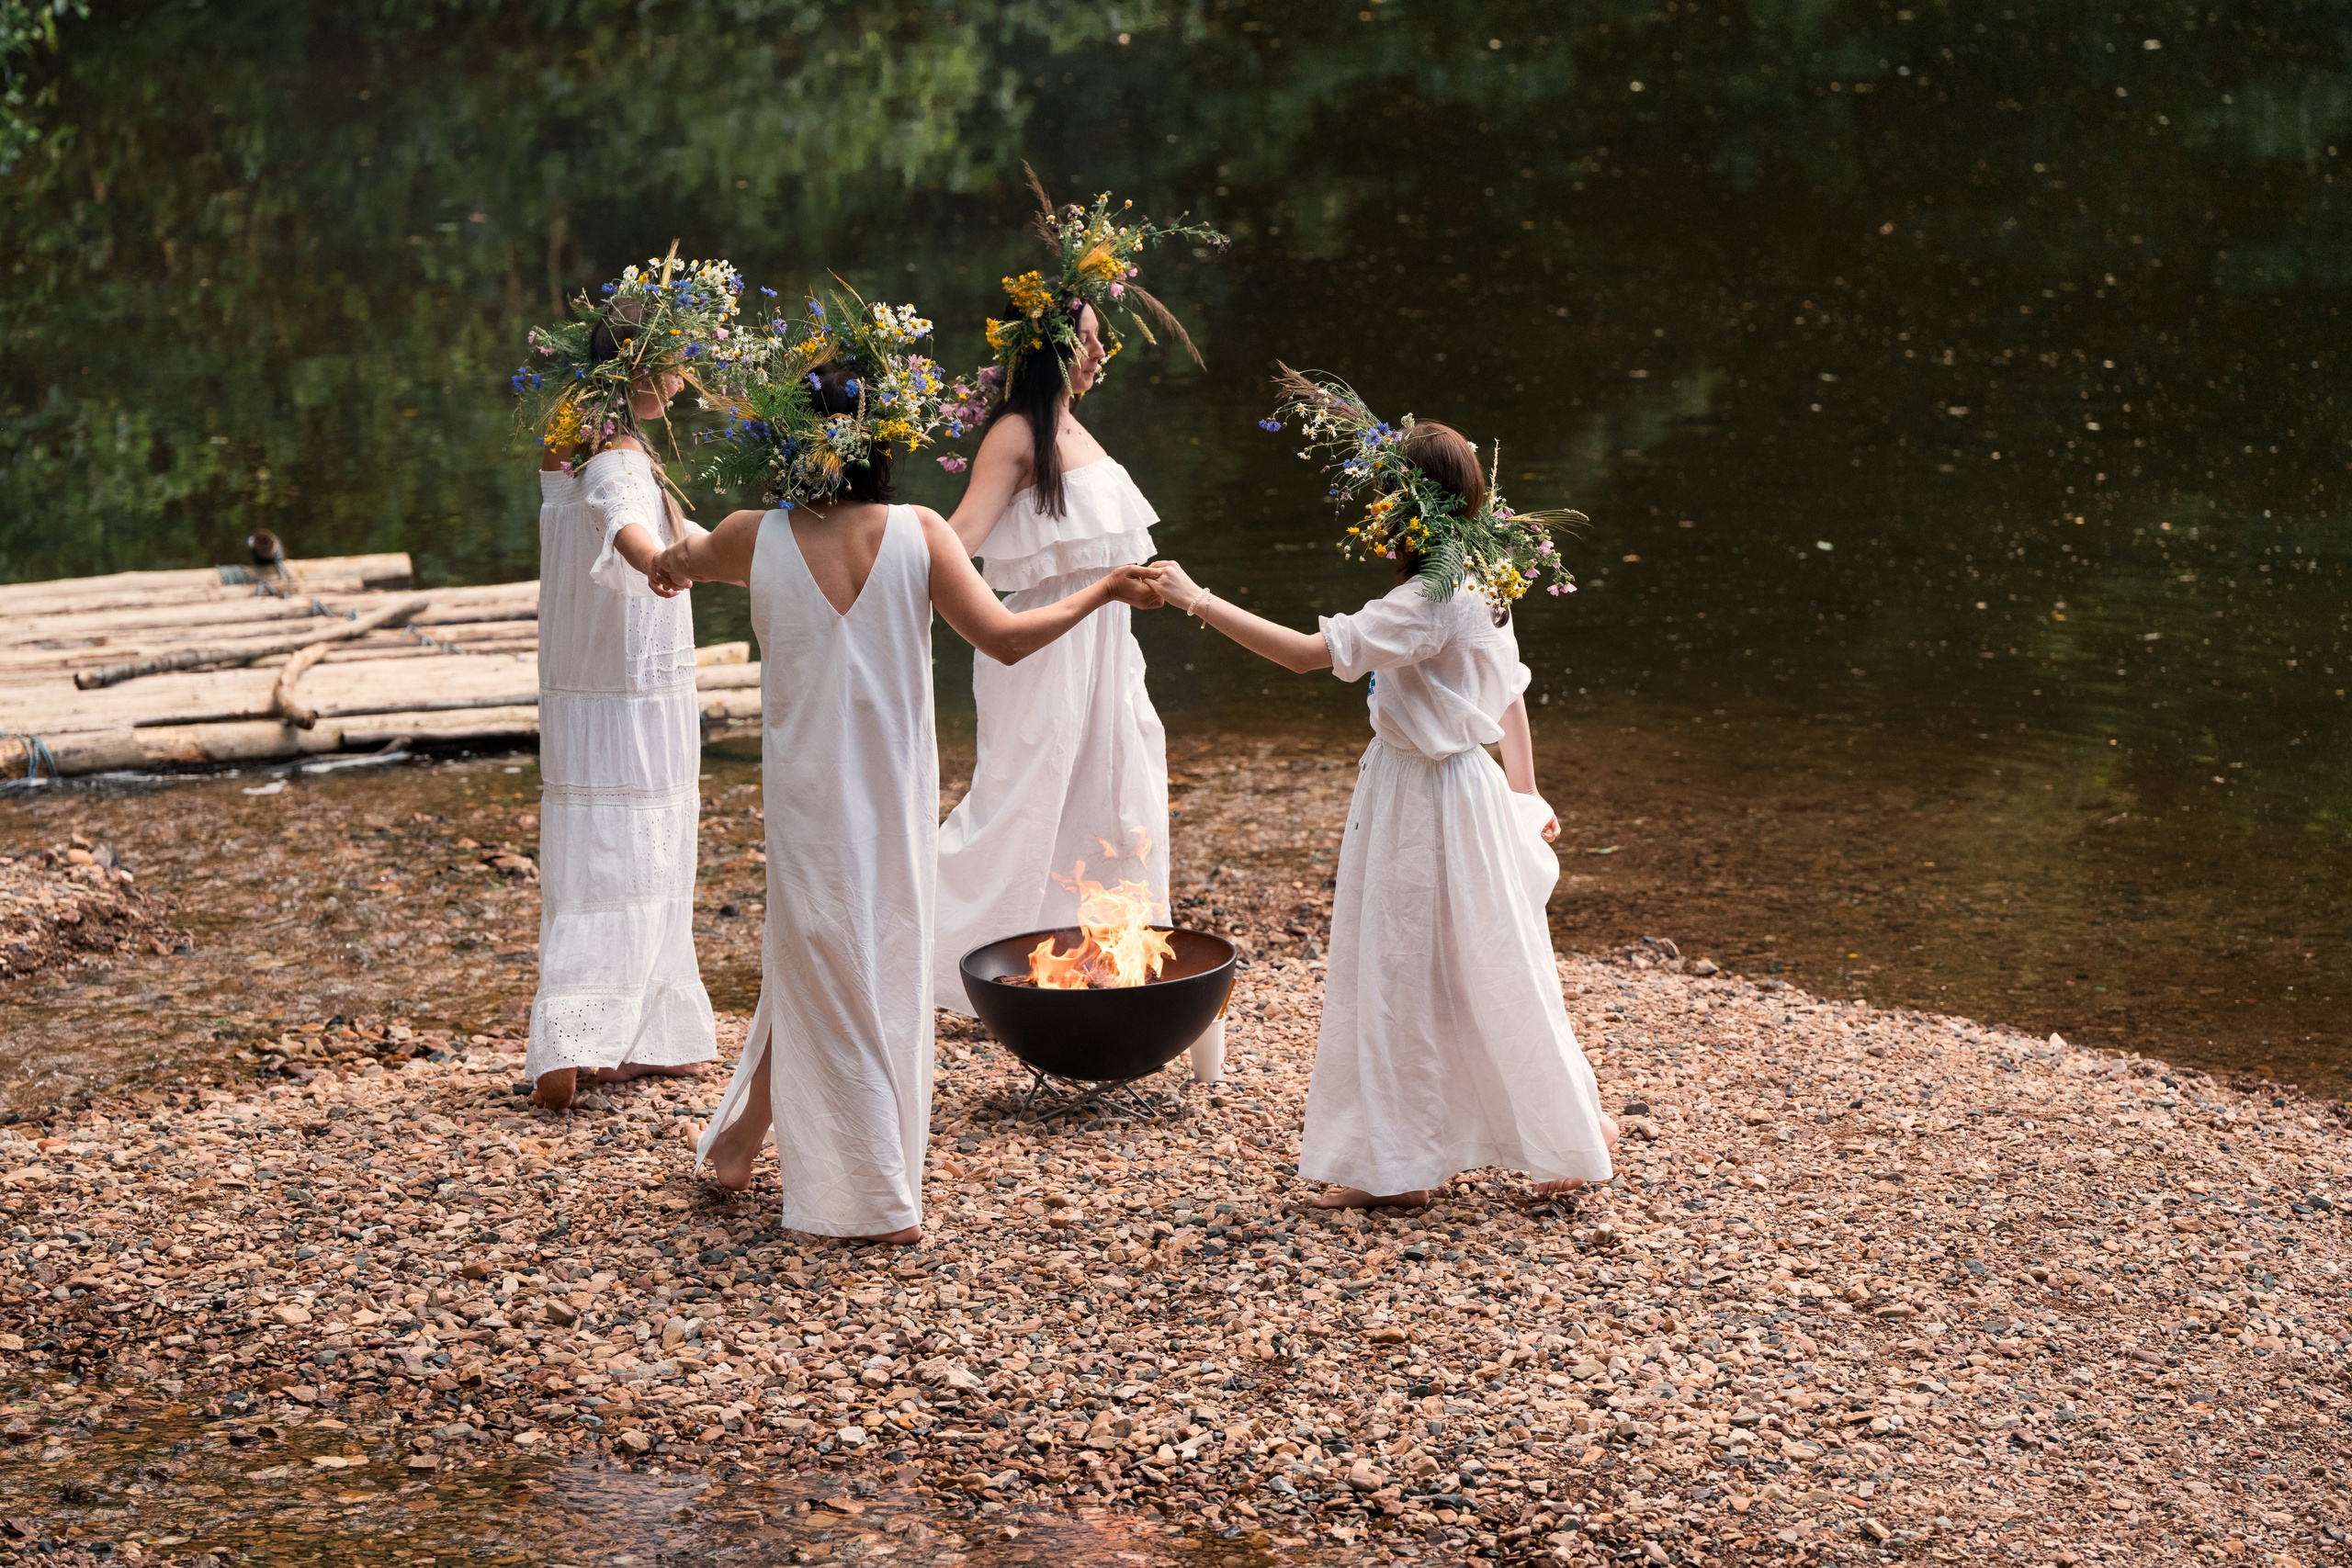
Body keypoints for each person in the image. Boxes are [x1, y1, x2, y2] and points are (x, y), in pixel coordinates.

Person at [659, 293, 1163, 1244]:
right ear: (880, 444)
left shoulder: (752, 534)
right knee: (864, 966)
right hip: (887, 799)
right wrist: (1102, 587)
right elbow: (1010, 640)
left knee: (816, 958)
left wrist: (638, 544)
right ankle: (870, 1195)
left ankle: (737, 1144)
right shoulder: (923, 533)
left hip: (808, 806)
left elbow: (677, 559)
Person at [1150, 368, 1617, 1208]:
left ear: (1409, 511)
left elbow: (1304, 654)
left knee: (1401, 970)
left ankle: (1400, 1171)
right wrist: (1526, 795)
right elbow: (1509, 694)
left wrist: (1195, 598)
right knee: (1494, 963)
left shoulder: (1427, 598)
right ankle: (1548, 1133)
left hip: (1423, 798)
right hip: (1468, 790)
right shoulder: (1484, 577)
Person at [930, 179, 1227, 1013]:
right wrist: (880, 570)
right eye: (1090, 340)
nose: (1101, 354)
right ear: (1052, 347)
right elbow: (958, 538)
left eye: (1101, 340)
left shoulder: (1078, 429)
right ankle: (930, 950)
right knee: (1020, 805)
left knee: (1119, 793)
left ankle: (1099, 962)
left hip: (1106, 652)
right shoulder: (1018, 435)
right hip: (1044, 646)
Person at [511, 253, 752, 1110]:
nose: (689, 378)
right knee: (626, 844)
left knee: (633, 844)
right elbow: (625, 529)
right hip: (625, 693)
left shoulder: (576, 435)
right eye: (679, 361)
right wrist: (672, 561)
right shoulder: (613, 455)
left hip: (609, 683)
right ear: (645, 367)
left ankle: (639, 1030)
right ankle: (572, 1041)